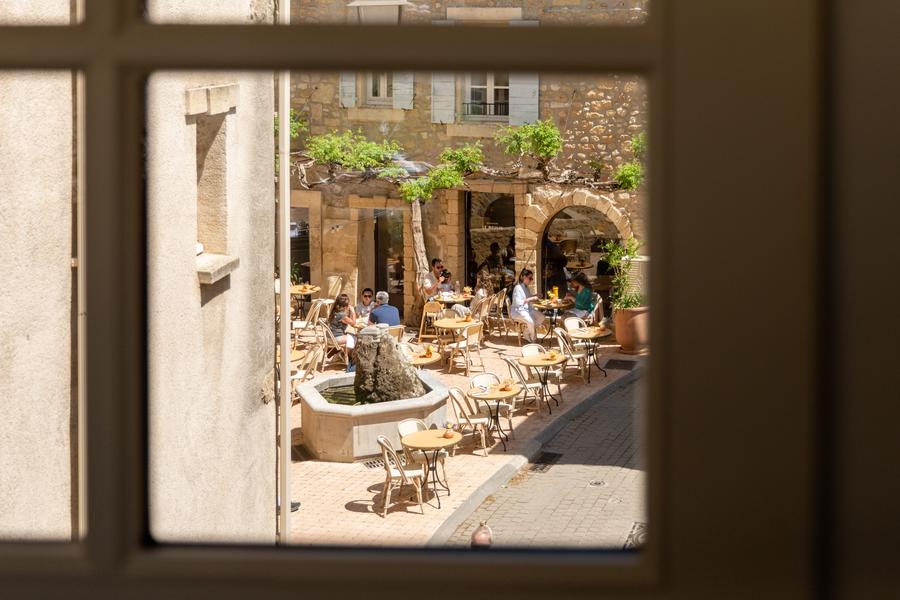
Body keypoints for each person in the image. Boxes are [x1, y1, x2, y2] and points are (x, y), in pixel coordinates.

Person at [510, 268, 545, 343]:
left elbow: (528, 297)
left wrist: (536, 295)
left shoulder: (526, 287)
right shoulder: (518, 288)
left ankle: (526, 332)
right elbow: (519, 302)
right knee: (531, 321)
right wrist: (532, 298)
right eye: (530, 278)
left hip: (526, 309)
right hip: (518, 311)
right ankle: (533, 340)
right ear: (523, 277)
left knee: (541, 317)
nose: (531, 280)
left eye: (531, 278)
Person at [327, 293, 357, 372]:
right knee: (356, 338)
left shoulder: (334, 312)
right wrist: (353, 311)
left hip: (330, 337)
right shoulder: (341, 315)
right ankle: (351, 360)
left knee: (351, 336)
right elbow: (353, 323)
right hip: (336, 339)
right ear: (345, 305)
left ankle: (341, 355)